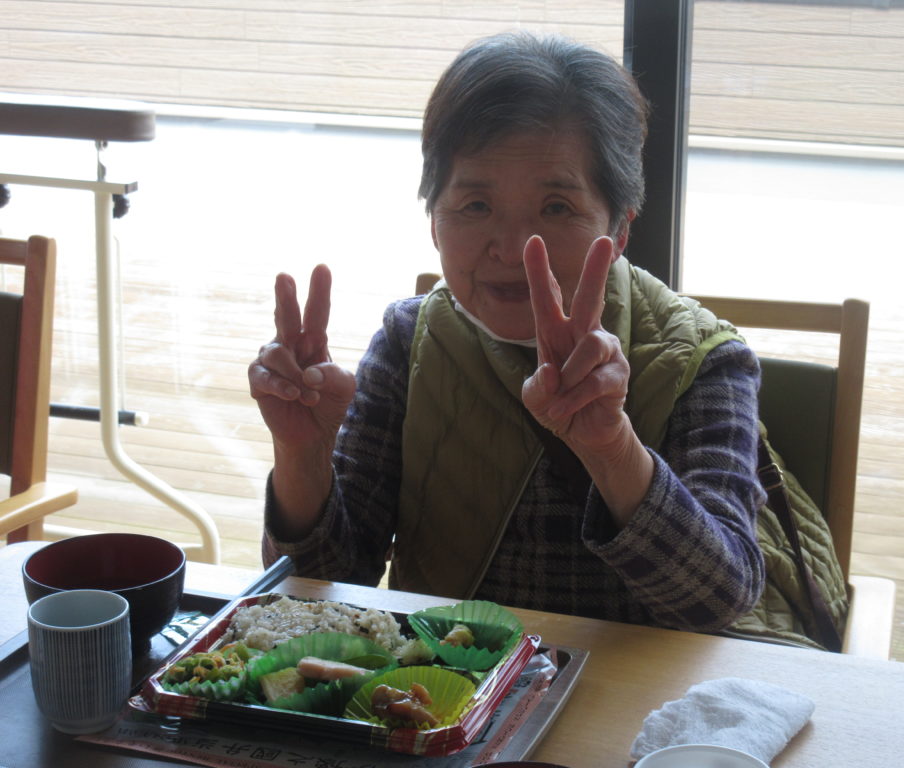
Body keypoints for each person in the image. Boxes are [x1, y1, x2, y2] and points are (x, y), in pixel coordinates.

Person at [249, 31, 767, 633]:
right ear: (434, 223)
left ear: (620, 229)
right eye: (475, 206)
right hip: (444, 683)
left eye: (556, 208)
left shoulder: (701, 359)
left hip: (628, 685)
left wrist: (612, 450)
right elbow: (327, 585)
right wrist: (302, 455)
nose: (515, 249)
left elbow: (718, 601)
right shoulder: (409, 342)